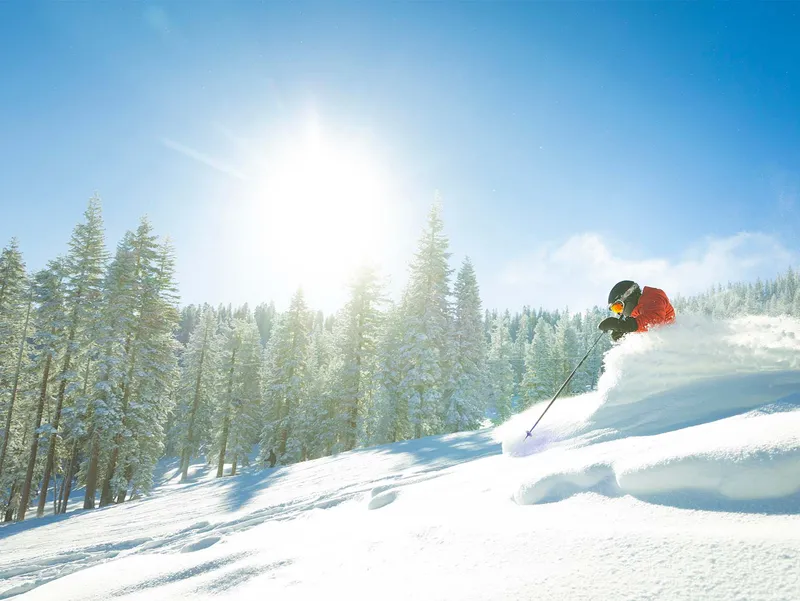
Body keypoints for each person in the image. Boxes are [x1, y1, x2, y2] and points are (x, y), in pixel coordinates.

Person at [598, 280, 675, 341]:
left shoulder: (653, 296)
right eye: (615, 310)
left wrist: (625, 325)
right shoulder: (638, 316)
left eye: (618, 307)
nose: (619, 313)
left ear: (628, 296)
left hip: (672, 343)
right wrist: (624, 335)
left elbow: (654, 319)